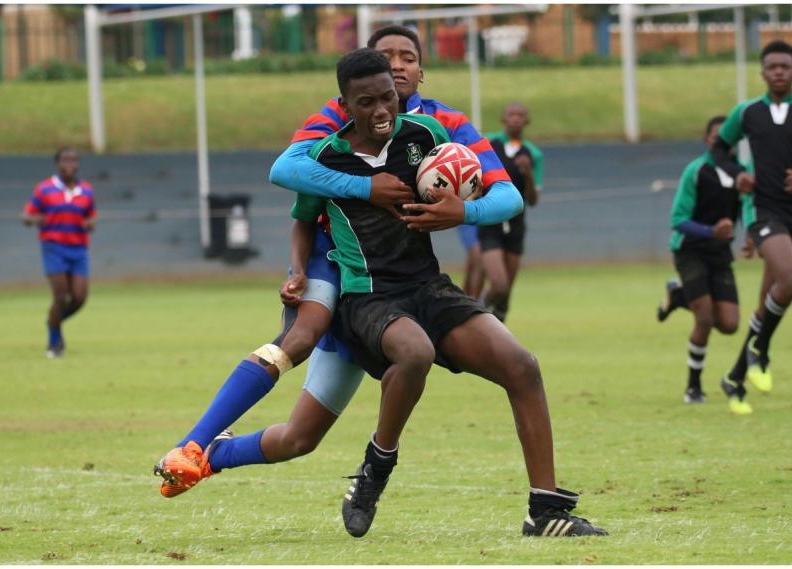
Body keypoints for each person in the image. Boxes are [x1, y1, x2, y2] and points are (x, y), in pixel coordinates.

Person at [153, 24, 520, 497]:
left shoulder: (442, 124)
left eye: (407, 57)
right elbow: (287, 171)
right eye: (385, 56)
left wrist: (463, 211)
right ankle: (191, 444)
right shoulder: (340, 115)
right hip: (333, 258)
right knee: (300, 336)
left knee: (301, 438)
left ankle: (215, 456)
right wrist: (359, 196)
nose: (396, 65)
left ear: (421, 71)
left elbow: (506, 193)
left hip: (395, 285)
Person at [292, 48, 607, 539]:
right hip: (369, 296)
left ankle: (544, 511)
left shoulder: (427, 136)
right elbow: (301, 219)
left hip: (429, 287)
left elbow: (481, 187)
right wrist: (298, 270)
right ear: (345, 105)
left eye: (388, 97)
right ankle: (376, 469)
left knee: (522, 366)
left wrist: (460, 208)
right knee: (414, 352)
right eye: (367, 102)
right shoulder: (324, 158)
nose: (381, 109)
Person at [711, 40, 792, 414]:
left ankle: (735, 377)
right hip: (762, 210)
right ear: (763, 73)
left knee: (774, 296)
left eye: (785, 66)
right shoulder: (747, 112)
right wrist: (738, 173)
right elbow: (718, 150)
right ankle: (760, 350)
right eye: (772, 66)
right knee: (791, 280)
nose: (778, 71)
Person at [656, 116, 742, 406]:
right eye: (715, 136)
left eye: (725, 136)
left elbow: (749, 206)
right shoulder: (696, 171)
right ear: (706, 140)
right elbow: (677, 219)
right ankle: (693, 387)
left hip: (720, 254)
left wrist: (752, 237)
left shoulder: (742, 173)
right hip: (690, 250)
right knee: (704, 317)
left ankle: (679, 296)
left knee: (729, 323)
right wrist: (710, 231)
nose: (720, 140)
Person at [21, 147, 97, 358]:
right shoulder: (45, 189)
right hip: (54, 248)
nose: (69, 165)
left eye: (73, 160)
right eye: (65, 160)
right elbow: (26, 216)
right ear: (57, 164)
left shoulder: (86, 191)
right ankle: (54, 342)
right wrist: (35, 219)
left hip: (78, 249)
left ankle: (53, 322)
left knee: (79, 297)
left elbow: (91, 216)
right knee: (61, 296)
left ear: (78, 164)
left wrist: (90, 223)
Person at [479, 102, 541, 322]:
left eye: (520, 115)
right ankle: (473, 312)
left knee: (505, 297)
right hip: (490, 222)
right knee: (499, 284)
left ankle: (496, 330)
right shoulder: (487, 144)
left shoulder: (533, 153)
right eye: (511, 114)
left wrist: (528, 173)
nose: (516, 118)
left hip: (515, 224)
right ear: (503, 118)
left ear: (527, 121)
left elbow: (533, 200)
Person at [456, 224, 486, 298]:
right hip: (469, 221)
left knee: (473, 264)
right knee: (479, 256)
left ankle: (465, 298)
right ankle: (474, 299)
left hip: (486, 222)